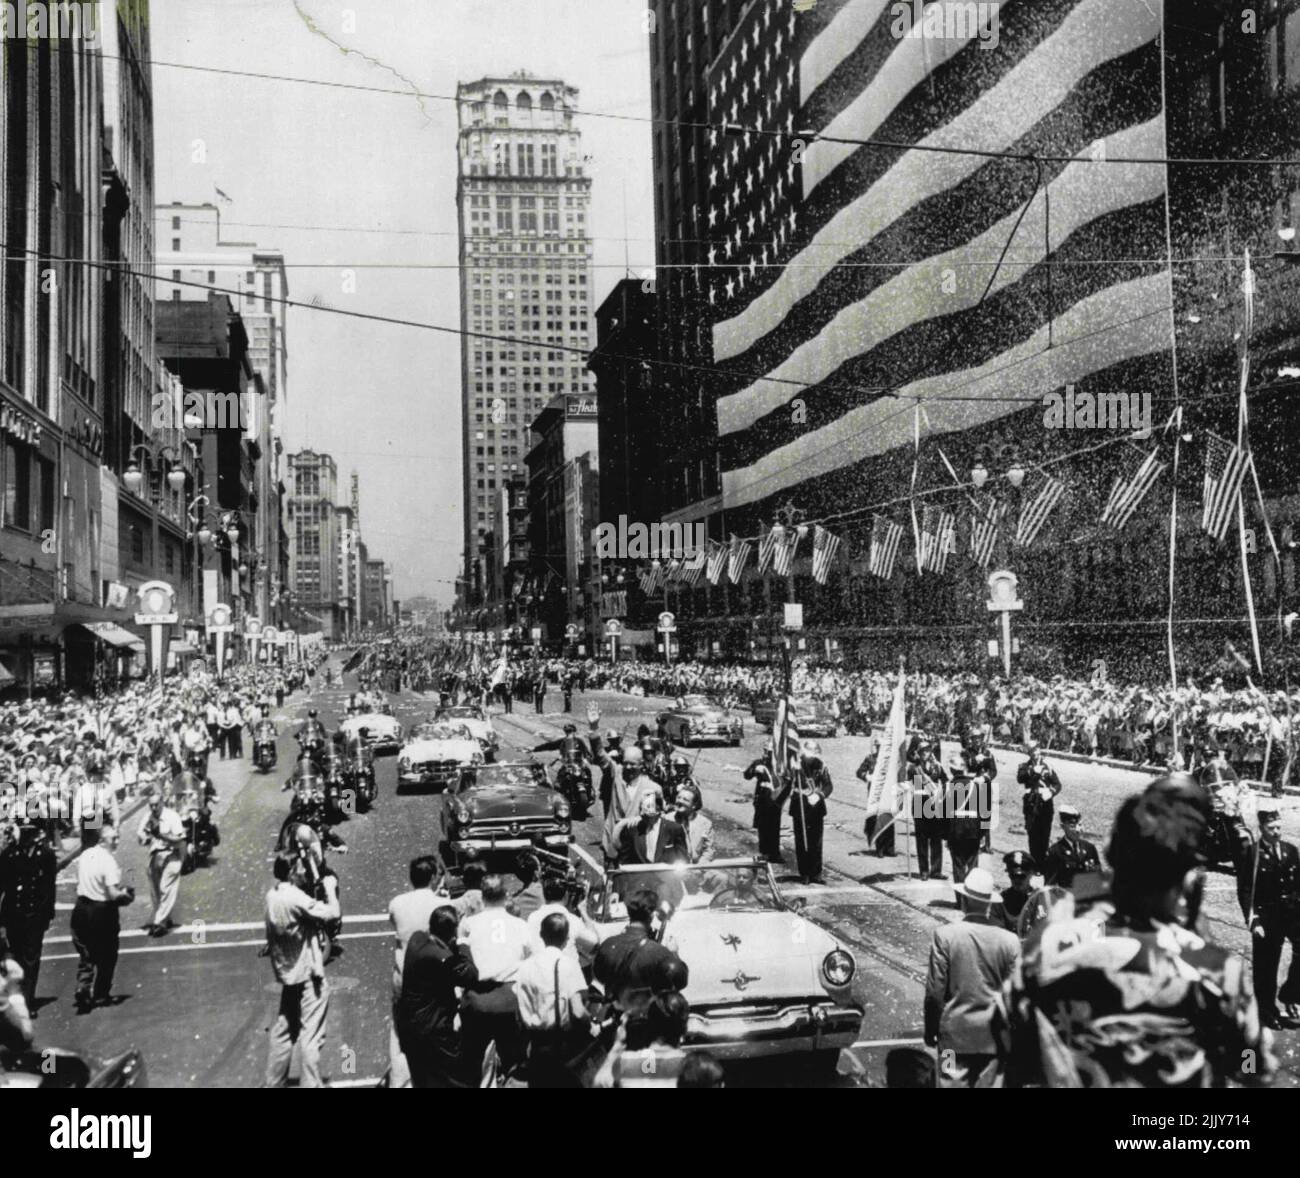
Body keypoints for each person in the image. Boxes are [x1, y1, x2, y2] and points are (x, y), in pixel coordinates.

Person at [997, 780, 1275, 1087]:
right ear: (1188, 879)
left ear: (1111, 857)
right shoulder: (1215, 971)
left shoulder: (1046, 947)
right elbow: (1251, 1065)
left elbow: (1008, 1039)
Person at [924, 867, 1019, 1087]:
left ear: (964, 900)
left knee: (948, 1083)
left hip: (952, 1041)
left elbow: (935, 992)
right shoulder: (1009, 941)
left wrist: (931, 1030)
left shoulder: (945, 936)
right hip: (994, 1041)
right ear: (989, 904)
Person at [264, 852, 341, 1088]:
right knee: (311, 1035)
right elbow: (332, 913)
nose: (302, 871)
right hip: (308, 972)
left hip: (288, 972)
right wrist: (329, 889)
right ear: (291, 871)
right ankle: (311, 1084)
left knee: (284, 1030)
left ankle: (273, 1082)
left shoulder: (272, 895)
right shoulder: (295, 897)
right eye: (299, 868)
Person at [395, 905, 478, 1088]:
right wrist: (463, 940)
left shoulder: (418, 938)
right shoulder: (439, 957)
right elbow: (470, 975)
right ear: (451, 934)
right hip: (433, 1033)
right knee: (456, 1081)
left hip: (411, 1028)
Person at [1236, 803, 1300, 1030]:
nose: (1277, 832)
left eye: (1279, 827)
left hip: (1292, 914)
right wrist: (1253, 920)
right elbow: (1245, 889)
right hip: (1267, 917)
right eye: (1272, 828)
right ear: (1261, 828)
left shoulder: (1291, 851)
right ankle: (1265, 1009)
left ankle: (1292, 993)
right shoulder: (1252, 854)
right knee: (1266, 966)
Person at [515, 911, 590, 1088]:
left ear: (541, 935)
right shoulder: (568, 964)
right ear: (566, 938)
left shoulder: (525, 967)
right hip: (560, 1046)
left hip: (535, 1046)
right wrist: (591, 1026)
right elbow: (578, 1012)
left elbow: (519, 1010)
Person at [388, 855, 444, 1088]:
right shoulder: (441, 905)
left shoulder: (397, 903)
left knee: (400, 1031)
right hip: (431, 978)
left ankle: (399, 1081)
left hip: (403, 974)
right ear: (433, 877)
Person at [70, 824, 134, 1014]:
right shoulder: (108, 861)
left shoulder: (85, 855)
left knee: (86, 953)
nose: (117, 841)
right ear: (102, 839)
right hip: (102, 912)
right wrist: (127, 897)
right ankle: (101, 993)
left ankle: (83, 986)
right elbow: (113, 894)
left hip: (81, 909)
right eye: (113, 838)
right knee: (108, 954)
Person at [0, 820, 56, 1007]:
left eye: (29, 831)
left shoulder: (45, 855)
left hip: (35, 914)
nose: (26, 835)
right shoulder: (9, 855)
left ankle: (27, 999)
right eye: (23, 831)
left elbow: (49, 887)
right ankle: (20, 995)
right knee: (16, 955)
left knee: (31, 959)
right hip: (14, 914)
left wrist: (48, 914)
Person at [136, 789, 186, 937]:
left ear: (162, 802)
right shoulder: (148, 817)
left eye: (156, 805)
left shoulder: (172, 817)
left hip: (172, 854)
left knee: (165, 887)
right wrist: (145, 837)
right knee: (156, 891)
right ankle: (166, 918)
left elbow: (180, 840)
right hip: (155, 856)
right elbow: (141, 837)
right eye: (150, 805)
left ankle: (158, 922)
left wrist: (162, 835)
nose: (153, 808)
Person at [791, 742, 832, 884]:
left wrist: (820, 795)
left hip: (816, 807)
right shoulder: (795, 764)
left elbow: (828, 785)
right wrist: (793, 771)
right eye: (810, 756)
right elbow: (788, 782)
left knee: (816, 842)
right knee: (802, 842)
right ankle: (804, 873)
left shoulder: (820, 765)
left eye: (814, 756)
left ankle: (816, 874)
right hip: (800, 805)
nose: (812, 759)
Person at [1017, 742, 1061, 867]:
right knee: (1033, 833)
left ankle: (1043, 863)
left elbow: (1058, 784)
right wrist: (1032, 772)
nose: (1035, 753)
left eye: (1036, 750)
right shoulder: (1025, 766)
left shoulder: (1048, 766)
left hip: (1045, 803)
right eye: (1032, 751)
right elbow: (1020, 778)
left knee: (1045, 833)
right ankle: (1035, 862)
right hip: (1031, 803)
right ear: (1029, 753)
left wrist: (1051, 792)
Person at [745, 739, 787, 863]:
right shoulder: (758, 762)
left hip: (775, 798)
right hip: (762, 797)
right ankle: (764, 852)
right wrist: (754, 770)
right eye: (766, 751)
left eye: (769, 752)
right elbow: (747, 775)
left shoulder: (779, 765)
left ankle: (774, 853)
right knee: (762, 827)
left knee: (774, 827)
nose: (767, 754)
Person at [617, 792, 688, 866]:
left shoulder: (674, 829)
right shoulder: (632, 830)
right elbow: (625, 861)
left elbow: (682, 859)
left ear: (660, 811)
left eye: (652, 816)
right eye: (645, 816)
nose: (649, 819)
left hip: (666, 875)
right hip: (640, 875)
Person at [1042, 804, 1102, 890]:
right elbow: (1050, 887)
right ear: (1063, 826)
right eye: (1072, 826)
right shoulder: (1055, 851)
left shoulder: (1089, 848)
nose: (1078, 830)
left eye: (1080, 825)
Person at [944, 758, 984, 885]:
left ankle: (960, 901)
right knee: (973, 865)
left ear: (952, 770)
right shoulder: (976, 786)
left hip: (956, 831)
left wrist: (946, 836)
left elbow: (944, 815)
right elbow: (985, 813)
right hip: (974, 831)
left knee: (958, 866)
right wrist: (983, 834)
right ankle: (972, 898)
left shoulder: (949, 787)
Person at [997, 851, 1037, 934]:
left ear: (1031, 874)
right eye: (1013, 876)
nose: (1016, 880)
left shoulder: (1038, 898)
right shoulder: (1001, 899)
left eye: (1021, 876)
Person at [675, 785, 714, 864]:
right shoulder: (666, 819)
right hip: (673, 869)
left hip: (697, 867)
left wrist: (700, 866)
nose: (680, 801)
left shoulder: (705, 824)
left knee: (721, 876)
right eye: (678, 797)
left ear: (694, 805)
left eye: (685, 800)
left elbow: (708, 850)